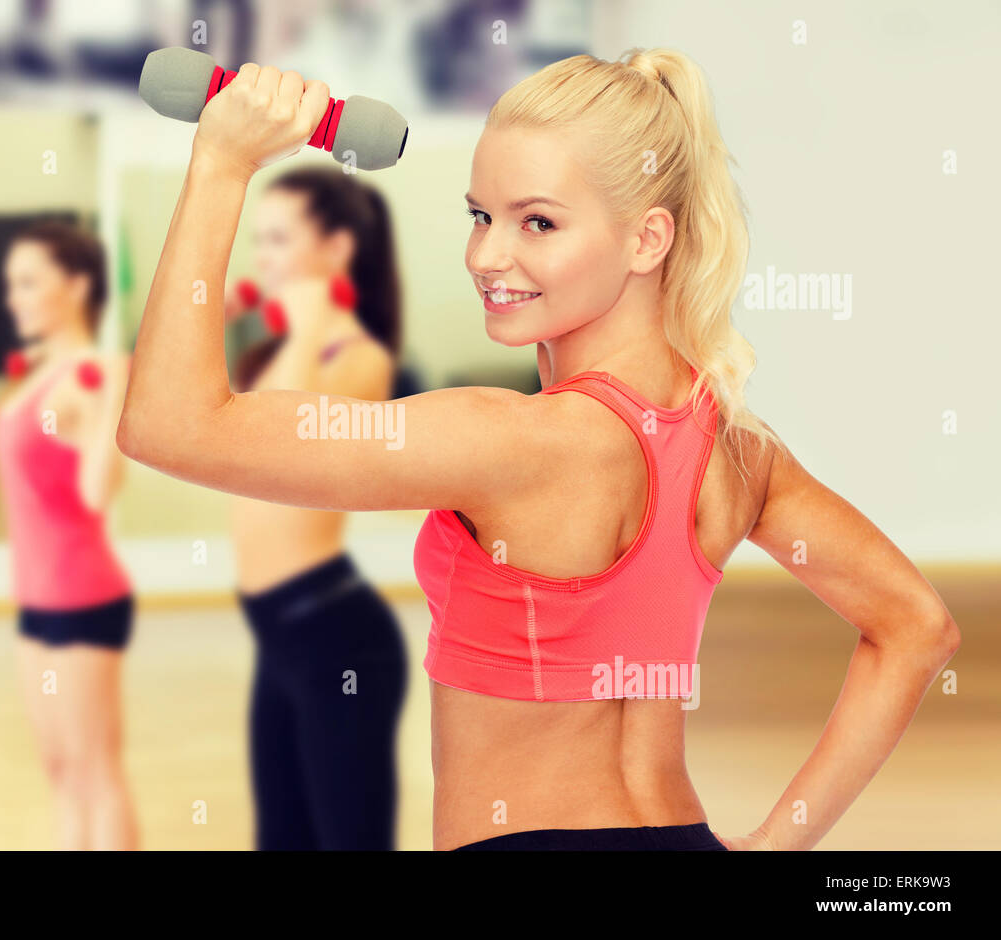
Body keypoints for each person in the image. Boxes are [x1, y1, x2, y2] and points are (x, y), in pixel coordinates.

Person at [118, 50, 961, 851]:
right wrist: (780, 842)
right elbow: (916, 627)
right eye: (481, 215)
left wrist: (221, 165)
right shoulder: (738, 445)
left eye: (539, 223)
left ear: (647, 240)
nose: (487, 255)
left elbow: (169, 426)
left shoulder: (512, 442)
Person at [227, 167, 407, 850]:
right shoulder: (283, 350)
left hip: (338, 643)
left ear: (335, 249)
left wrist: (302, 332)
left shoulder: (358, 358)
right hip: (279, 637)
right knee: (281, 840)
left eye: (278, 239)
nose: (262, 258)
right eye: (258, 241)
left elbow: (288, 449)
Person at [0, 221, 139, 850]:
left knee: (96, 769)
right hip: (36, 603)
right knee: (60, 770)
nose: (14, 298)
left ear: (76, 286)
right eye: (11, 284)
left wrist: (109, 408)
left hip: (83, 599)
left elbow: (99, 494)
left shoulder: (94, 375)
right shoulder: (43, 374)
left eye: (29, 282)